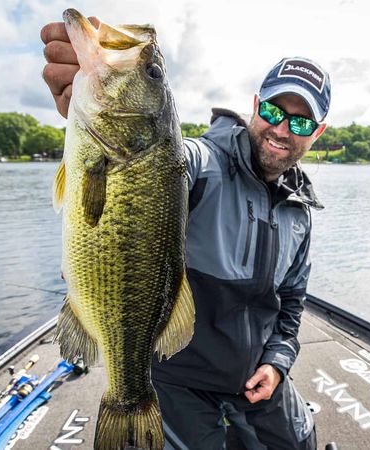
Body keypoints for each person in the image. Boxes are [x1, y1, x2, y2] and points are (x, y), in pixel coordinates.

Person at [41, 18, 330, 450]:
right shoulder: (198, 162)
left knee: (302, 444)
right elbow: (167, 160)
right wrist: (89, 98)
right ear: (255, 105)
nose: (282, 130)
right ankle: (130, 398)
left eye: (302, 123)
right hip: (178, 373)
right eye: (273, 111)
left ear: (318, 132)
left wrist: (277, 363)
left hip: (255, 375)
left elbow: (292, 302)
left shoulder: (300, 211)